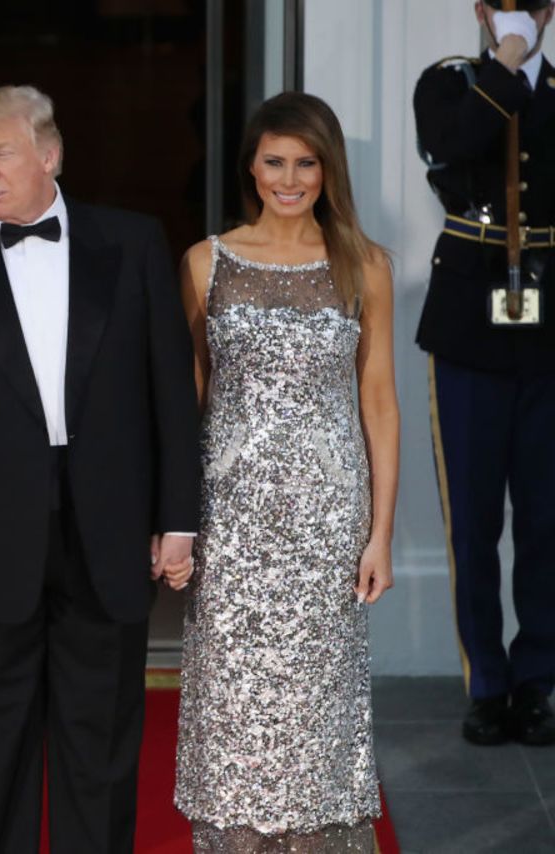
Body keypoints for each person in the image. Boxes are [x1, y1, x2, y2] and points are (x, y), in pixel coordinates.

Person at [0, 85, 202, 853]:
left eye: (1, 152)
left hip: (110, 527)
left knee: (99, 744)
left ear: (50, 153)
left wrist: (178, 518)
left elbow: (170, 391)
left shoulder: (131, 244)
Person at [172, 92, 399, 852]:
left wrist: (381, 536)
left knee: (317, 709)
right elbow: (191, 404)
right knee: (235, 708)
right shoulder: (206, 261)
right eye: (275, 161)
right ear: (252, 166)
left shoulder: (364, 266)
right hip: (233, 526)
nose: (290, 178)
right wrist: (177, 523)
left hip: (327, 525)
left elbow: (379, 404)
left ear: (328, 169)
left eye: (307, 163)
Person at [413, 0, 555, 747]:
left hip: (551, 322)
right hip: (470, 321)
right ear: (480, 11)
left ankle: (539, 681)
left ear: (551, 12)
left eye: (530, 7)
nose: (518, 17)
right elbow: (450, 145)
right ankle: (488, 681)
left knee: (547, 519)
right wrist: (505, 65)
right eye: (504, 6)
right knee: (472, 518)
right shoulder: (449, 83)